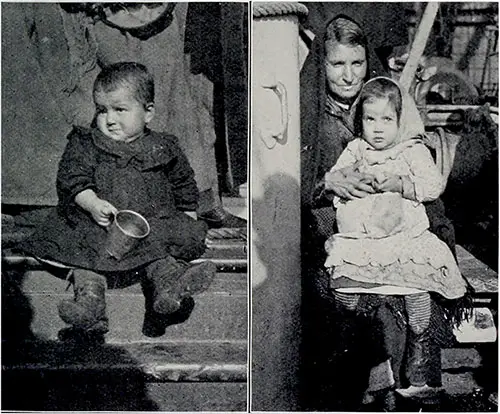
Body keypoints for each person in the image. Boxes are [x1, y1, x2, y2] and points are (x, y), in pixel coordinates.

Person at [300, 15, 461, 411]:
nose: (348, 75)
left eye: (356, 63)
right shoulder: (310, 112)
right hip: (335, 219)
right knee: (340, 283)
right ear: (323, 65)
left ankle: (410, 385)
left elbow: (421, 172)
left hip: (397, 220)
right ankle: (365, 388)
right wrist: (327, 183)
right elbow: (298, 179)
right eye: (337, 65)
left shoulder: (386, 105)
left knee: (412, 273)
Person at [20, 62, 216, 341]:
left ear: (148, 112)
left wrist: (187, 217)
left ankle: (170, 288)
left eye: (120, 110)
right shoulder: (86, 142)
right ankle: (90, 304)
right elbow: (72, 178)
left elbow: (183, 183)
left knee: (161, 251)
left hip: (152, 224)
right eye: (102, 110)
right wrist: (91, 203)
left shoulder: (163, 146)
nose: (109, 119)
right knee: (83, 253)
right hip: (100, 226)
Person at [323, 76, 468, 398]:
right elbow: (334, 178)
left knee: (415, 291)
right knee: (345, 288)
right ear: (359, 120)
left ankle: (418, 363)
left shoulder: (411, 150)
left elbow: (433, 187)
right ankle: (351, 352)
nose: (377, 128)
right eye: (369, 119)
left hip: (403, 240)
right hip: (361, 240)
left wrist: (401, 184)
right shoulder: (355, 148)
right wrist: (342, 180)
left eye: (387, 119)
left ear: (401, 121)